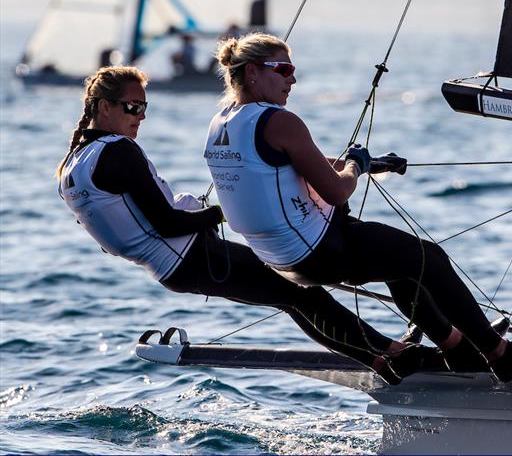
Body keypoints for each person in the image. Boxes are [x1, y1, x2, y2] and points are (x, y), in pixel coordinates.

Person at [205, 33, 512, 383]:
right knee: (428, 260)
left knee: (401, 265)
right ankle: (501, 355)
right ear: (253, 72)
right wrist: (354, 167)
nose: (293, 79)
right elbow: (337, 192)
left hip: (283, 260)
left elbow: (289, 163)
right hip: (322, 249)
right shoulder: (281, 121)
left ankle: (457, 348)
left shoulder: (223, 120)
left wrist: (366, 162)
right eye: (283, 69)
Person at [56, 65, 442, 386]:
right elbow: (167, 222)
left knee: (293, 298)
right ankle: (394, 355)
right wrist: (228, 211)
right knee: (300, 293)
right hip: (191, 256)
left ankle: (383, 357)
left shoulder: (72, 166)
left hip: (172, 267)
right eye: (131, 107)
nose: (140, 116)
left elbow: (113, 240)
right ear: (103, 107)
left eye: (144, 107)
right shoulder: (118, 152)